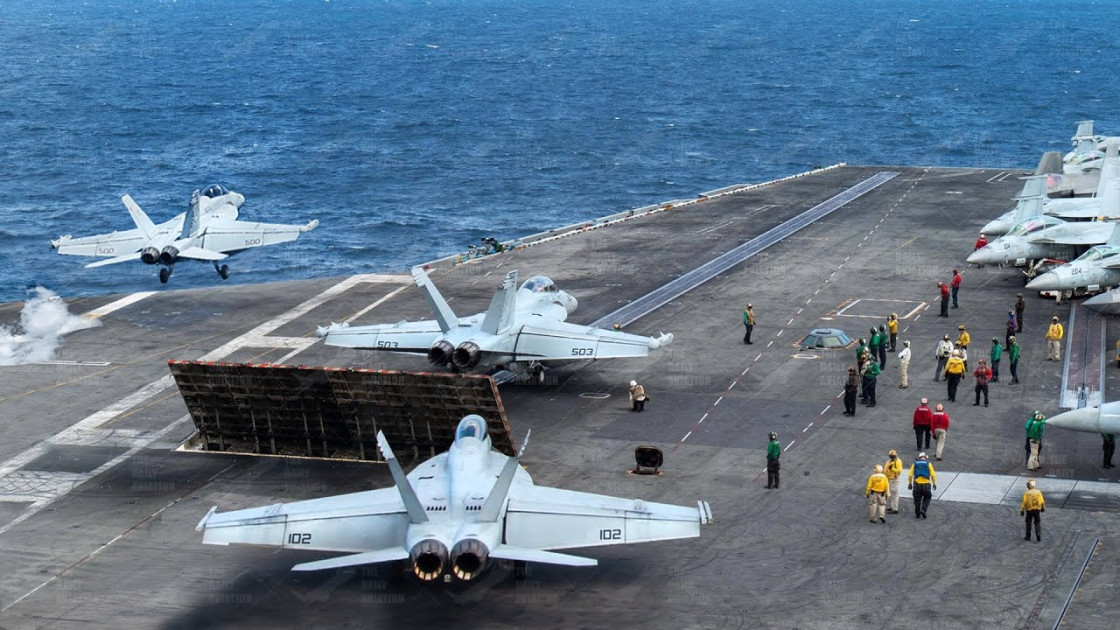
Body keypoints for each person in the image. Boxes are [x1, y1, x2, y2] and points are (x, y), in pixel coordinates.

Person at [908, 453, 937, 519]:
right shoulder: (928, 463)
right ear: (925, 458)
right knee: (927, 497)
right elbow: (933, 474)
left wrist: (909, 483)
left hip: (917, 484)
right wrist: (934, 483)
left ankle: (917, 513)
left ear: (919, 457)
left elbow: (910, 475)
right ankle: (923, 509)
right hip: (926, 484)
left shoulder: (915, 463)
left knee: (917, 499)